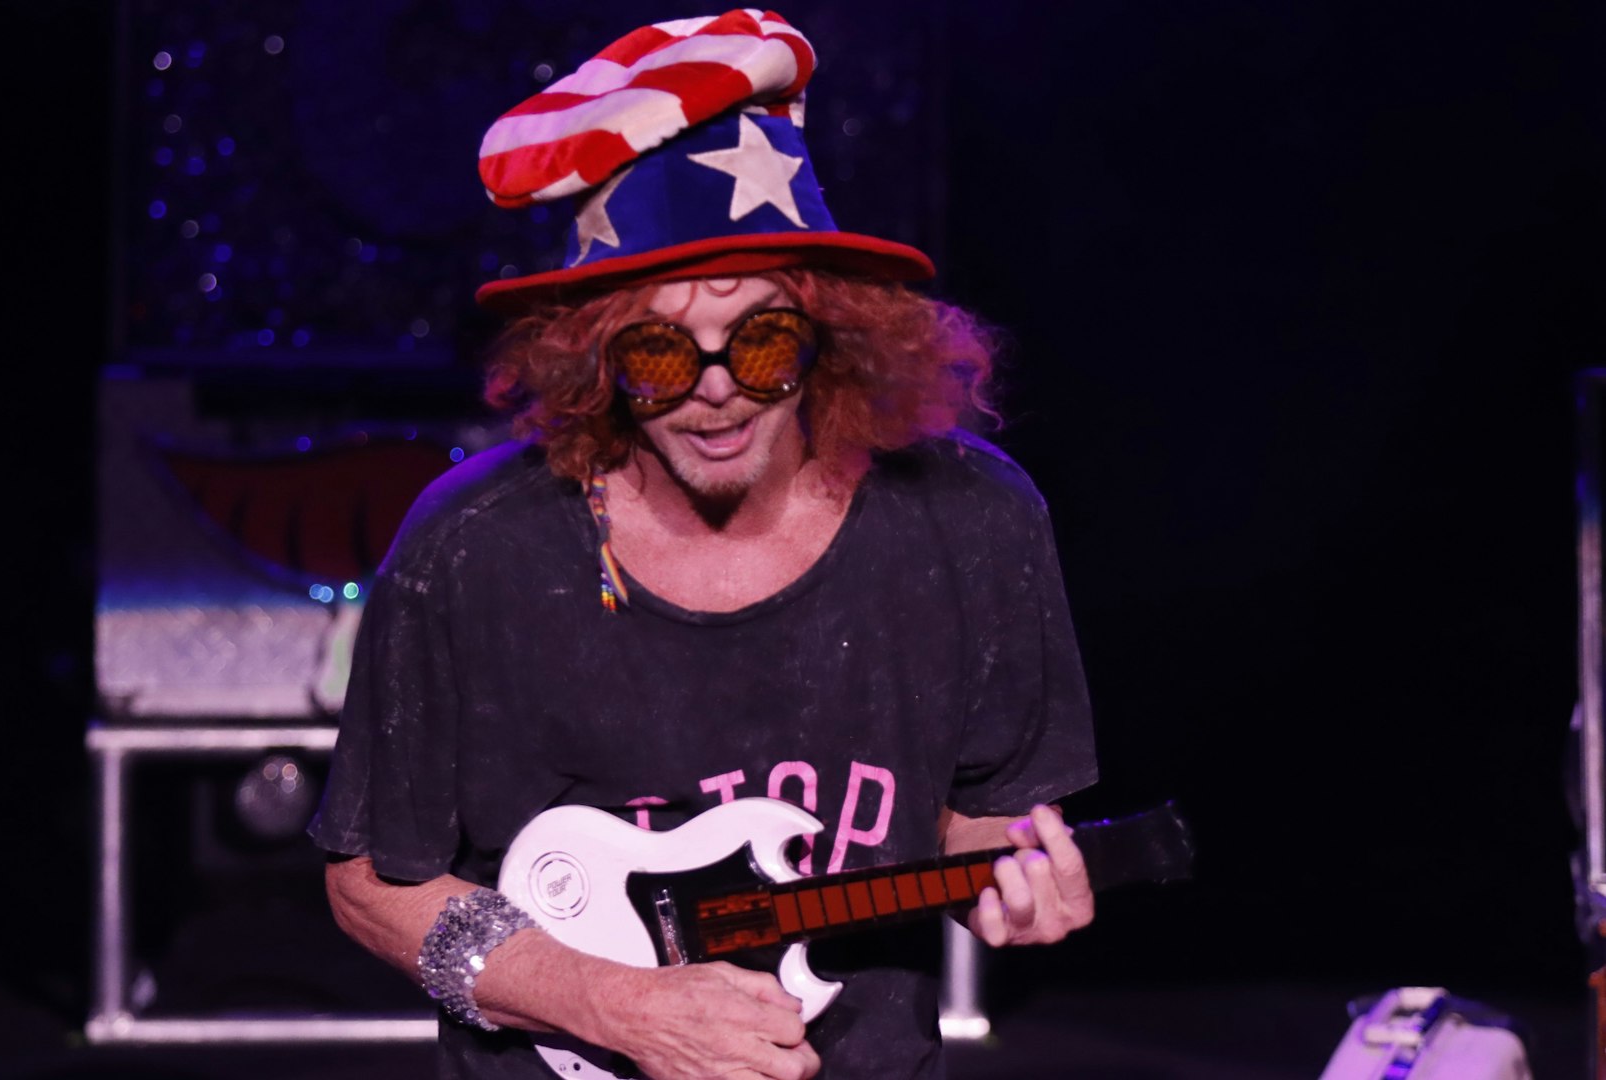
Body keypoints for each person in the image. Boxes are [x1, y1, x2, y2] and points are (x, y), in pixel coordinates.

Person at [312, 10, 1098, 1080]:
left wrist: (1016, 879)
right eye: (659, 353)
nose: (716, 390)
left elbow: (983, 823)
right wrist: (615, 1007)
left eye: (762, 342)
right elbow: (371, 883)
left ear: (832, 337)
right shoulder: (472, 547)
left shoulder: (970, 522)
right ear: (593, 357)